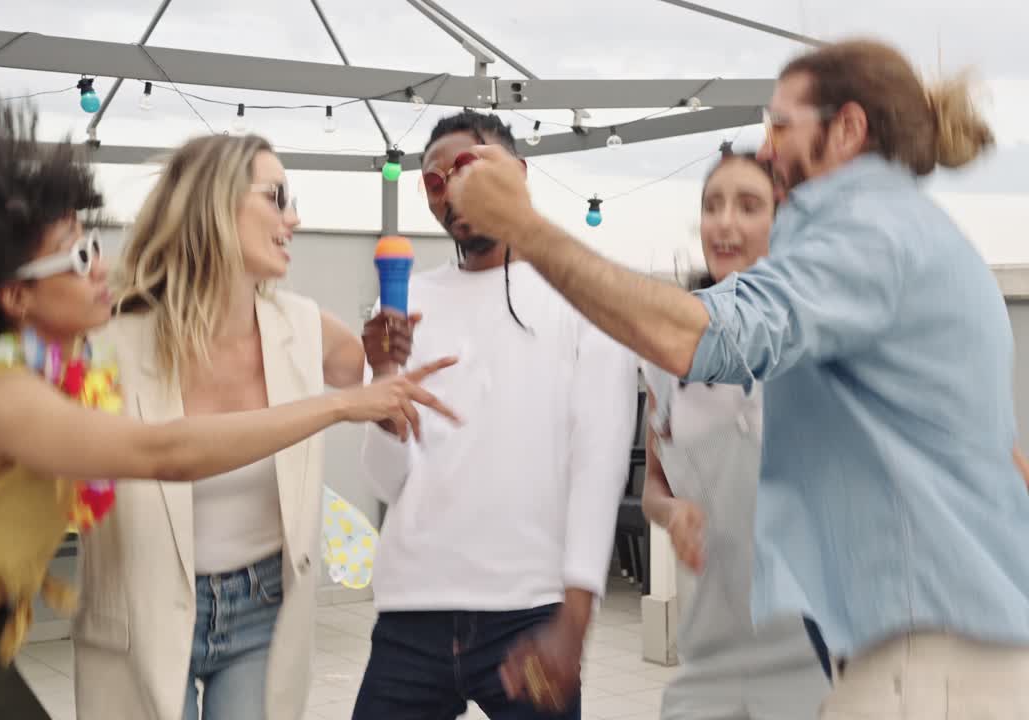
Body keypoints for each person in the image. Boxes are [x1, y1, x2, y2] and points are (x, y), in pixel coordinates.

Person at [0, 106, 457, 720]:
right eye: (83, 256)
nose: (105, 267)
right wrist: (340, 405)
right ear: (14, 295)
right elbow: (160, 451)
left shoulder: (42, 357)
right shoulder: (16, 383)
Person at [450, 40, 1029, 717]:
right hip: (926, 655)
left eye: (782, 124)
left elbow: (693, 336)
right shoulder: (911, 234)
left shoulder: (868, 234)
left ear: (847, 129)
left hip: (929, 667)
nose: (767, 145)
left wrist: (521, 223)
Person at [71, 133, 394, 720]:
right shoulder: (110, 337)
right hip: (138, 610)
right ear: (214, 204)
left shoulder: (300, 324)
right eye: (277, 196)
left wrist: (388, 352)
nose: (293, 216)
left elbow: (365, 374)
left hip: (262, 608)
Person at [352, 110, 637, 720]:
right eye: (434, 181)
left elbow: (600, 461)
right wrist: (381, 385)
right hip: (412, 612)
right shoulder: (404, 303)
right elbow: (387, 480)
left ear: (520, 176)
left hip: (530, 610)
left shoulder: (583, 293)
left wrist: (576, 617)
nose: (452, 190)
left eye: (468, 169)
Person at [642, 148, 827, 720]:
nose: (724, 223)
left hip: (821, 661)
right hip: (707, 660)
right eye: (712, 205)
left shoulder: (825, 342)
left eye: (749, 206)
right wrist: (672, 515)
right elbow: (654, 487)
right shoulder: (668, 353)